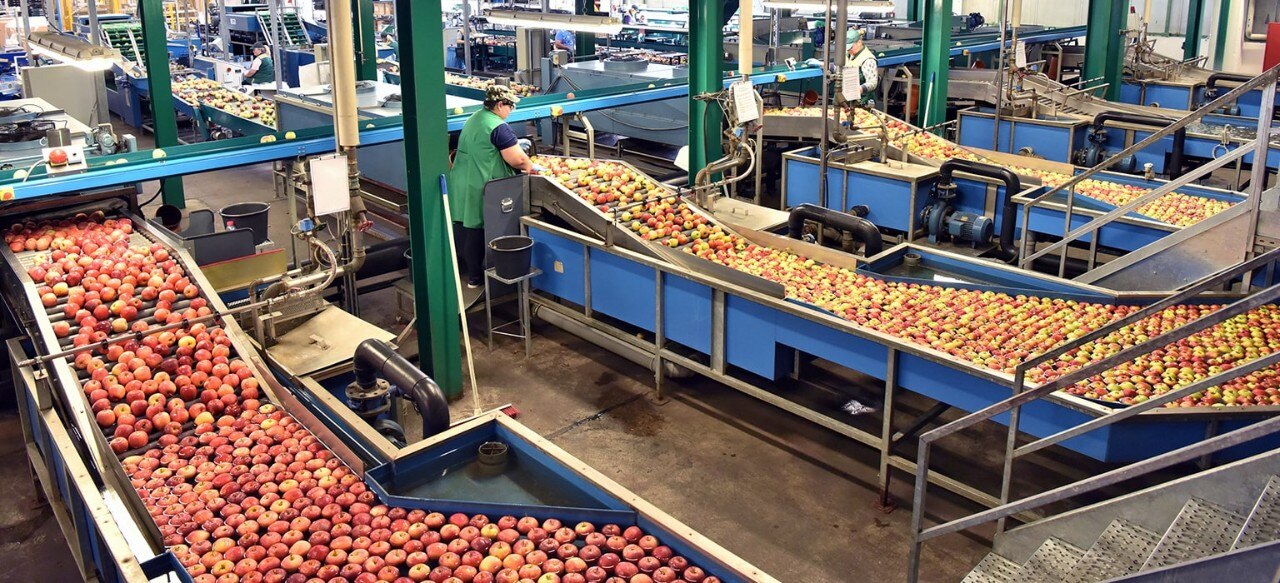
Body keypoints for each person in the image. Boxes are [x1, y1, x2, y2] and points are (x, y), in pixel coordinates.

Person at [447, 85, 539, 288]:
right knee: (479, 229)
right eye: (511, 106)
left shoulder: (474, 118)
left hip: (463, 180)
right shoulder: (498, 126)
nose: (511, 110)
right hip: (483, 185)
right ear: (499, 105)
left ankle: (469, 276)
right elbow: (517, 160)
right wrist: (532, 167)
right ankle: (478, 277)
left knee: (465, 226)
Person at [843, 28, 878, 105]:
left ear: (859, 42)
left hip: (862, 102)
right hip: (847, 98)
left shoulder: (867, 59)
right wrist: (824, 65)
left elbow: (873, 82)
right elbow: (840, 68)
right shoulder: (848, 53)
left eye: (851, 47)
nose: (849, 50)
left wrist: (860, 89)